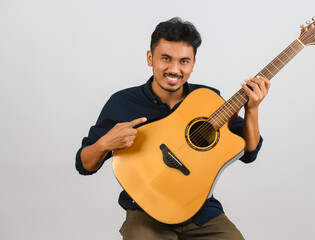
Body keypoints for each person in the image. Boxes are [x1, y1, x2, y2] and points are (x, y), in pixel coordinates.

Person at [76, 17, 271, 240]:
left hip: (201, 211)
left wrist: (253, 110)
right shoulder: (123, 102)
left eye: (184, 61)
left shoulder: (207, 99)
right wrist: (104, 144)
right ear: (150, 58)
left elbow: (248, 153)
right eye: (166, 59)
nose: (174, 69)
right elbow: (84, 165)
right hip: (146, 212)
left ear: (193, 63)